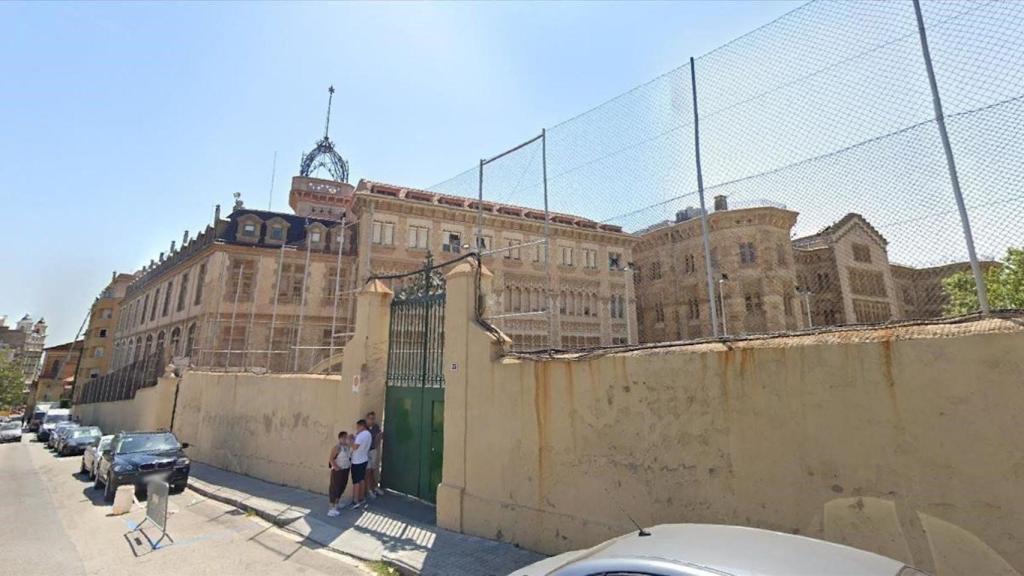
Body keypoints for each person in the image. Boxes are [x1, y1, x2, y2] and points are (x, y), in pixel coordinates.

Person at [327, 431, 351, 517]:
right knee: (335, 487)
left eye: (346, 438)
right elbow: (331, 459)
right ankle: (331, 508)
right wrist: (336, 467)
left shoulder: (347, 447)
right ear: (340, 438)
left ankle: (337, 504)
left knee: (342, 486)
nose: (346, 439)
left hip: (345, 469)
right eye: (344, 437)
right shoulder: (336, 448)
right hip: (338, 470)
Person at [349, 419, 372, 509]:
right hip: (364, 459)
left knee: (356, 481)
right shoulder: (368, 434)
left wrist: (350, 441)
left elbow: (355, 447)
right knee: (361, 479)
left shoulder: (361, 435)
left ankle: (355, 500)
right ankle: (362, 498)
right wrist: (354, 438)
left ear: (362, 426)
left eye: (358, 427)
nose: (356, 428)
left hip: (357, 461)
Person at [365, 411, 384, 498]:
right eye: (370, 418)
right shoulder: (364, 427)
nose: (372, 420)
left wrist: (377, 442)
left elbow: (379, 435)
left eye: (373, 418)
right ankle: (369, 490)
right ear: (367, 418)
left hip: (373, 451)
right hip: (366, 452)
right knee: (368, 471)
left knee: (373, 470)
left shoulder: (376, 427)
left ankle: (375, 487)